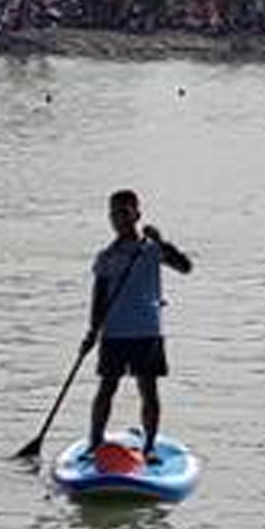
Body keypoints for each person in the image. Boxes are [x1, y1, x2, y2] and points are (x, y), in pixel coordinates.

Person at [81, 189, 193, 462]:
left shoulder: (152, 250)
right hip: (115, 332)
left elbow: (185, 267)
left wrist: (162, 242)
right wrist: (92, 332)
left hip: (146, 331)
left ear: (137, 214)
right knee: (106, 388)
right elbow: (99, 298)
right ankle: (94, 443)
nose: (118, 219)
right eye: (113, 214)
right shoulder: (106, 256)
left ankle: (150, 446)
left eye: (124, 212)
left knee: (148, 390)